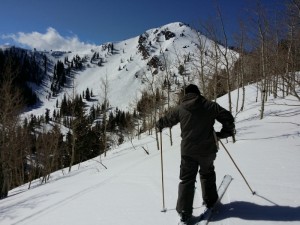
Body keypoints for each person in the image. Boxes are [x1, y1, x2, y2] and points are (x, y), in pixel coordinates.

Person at [156, 84, 235, 224]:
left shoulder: (180, 109)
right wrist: (223, 134)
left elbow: (168, 120)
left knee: (187, 179)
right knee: (207, 173)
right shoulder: (210, 106)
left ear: (185, 95)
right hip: (207, 150)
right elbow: (228, 117)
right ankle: (210, 201)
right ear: (198, 93)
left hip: (188, 151)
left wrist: (160, 124)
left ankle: (185, 212)